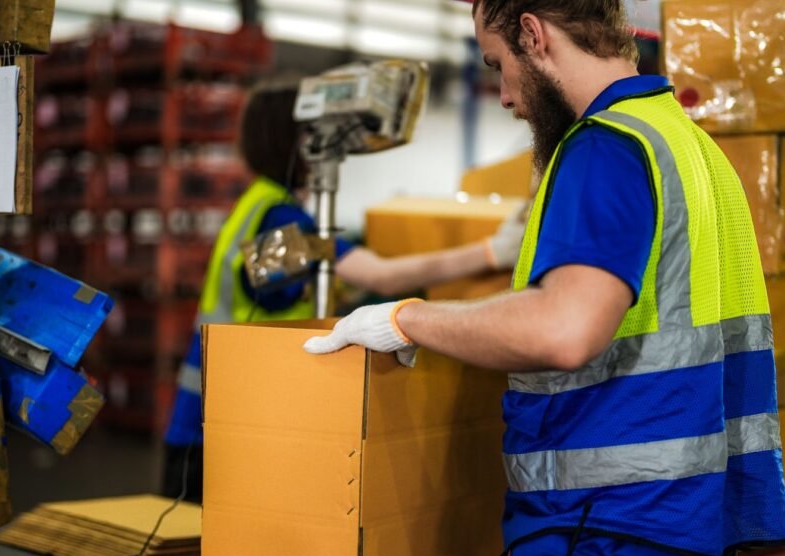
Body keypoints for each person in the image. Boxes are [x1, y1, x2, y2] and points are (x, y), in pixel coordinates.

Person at [304, 1, 785, 556]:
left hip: (605, 526)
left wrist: (405, 319)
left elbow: (565, 330)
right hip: (685, 521)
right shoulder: (688, 143)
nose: (507, 97)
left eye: (497, 65)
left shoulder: (606, 146)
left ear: (533, 35)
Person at [161, 80, 528, 501]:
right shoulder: (282, 218)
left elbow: (279, 288)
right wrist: (491, 251)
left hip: (221, 417)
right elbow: (381, 276)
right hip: (218, 432)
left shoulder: (259, 204)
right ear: (298, 140)